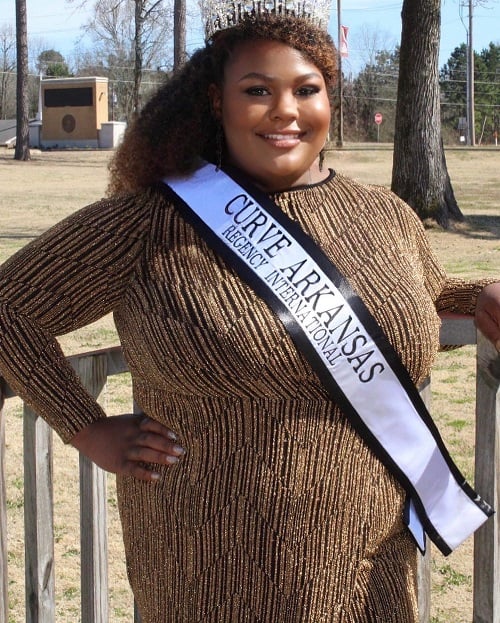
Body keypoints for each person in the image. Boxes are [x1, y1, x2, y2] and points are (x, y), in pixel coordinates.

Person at [0, 7, 499, 622]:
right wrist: (86, 427)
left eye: (305, 89)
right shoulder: (149, 222)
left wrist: (478, 296)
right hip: (207, 569)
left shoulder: (382, 214)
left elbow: (420, 290)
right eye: (257, 90)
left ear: (329, 99)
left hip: (373, 568)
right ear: (217, 102)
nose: (285, 110)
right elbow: (8, 309)